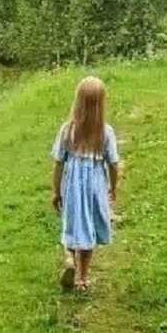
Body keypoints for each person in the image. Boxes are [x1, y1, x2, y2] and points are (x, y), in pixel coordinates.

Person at [50, 75, 121, 293]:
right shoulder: (105, 132)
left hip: (72, 185)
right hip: (94, 186)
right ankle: (82, 278)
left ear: (77, 101)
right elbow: (114, 165)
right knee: (89, 227)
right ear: (102, 104)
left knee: (72, 224)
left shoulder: (67, 130)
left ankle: (70, 258)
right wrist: (113, 187)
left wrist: (56, 192)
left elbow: (58, 164)